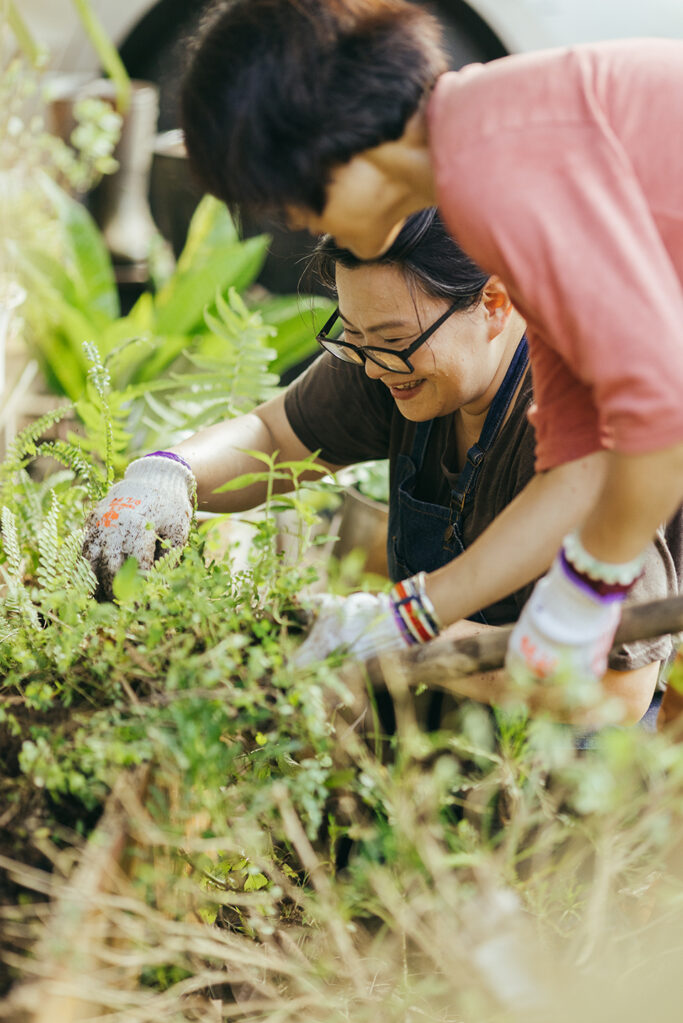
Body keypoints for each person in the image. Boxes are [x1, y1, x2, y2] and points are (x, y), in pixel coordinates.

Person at [175, 0, 683, 692]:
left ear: (318, 144)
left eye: (283, 200)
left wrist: (587, 588)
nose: (295, 223)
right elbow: (579, 454)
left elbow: (658, 419)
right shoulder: (483, 153)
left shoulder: (497, 166)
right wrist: (400, 619)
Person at [82, 210, 679, 725]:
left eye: (389, 340)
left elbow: (617, 690)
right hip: (442, 727)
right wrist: (166, 474)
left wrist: (394, 637)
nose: (369, 368)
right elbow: (275, 436)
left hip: (575, 775)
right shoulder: (391, 352)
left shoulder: (573, 416)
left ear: (495, 303)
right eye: (354, 335)